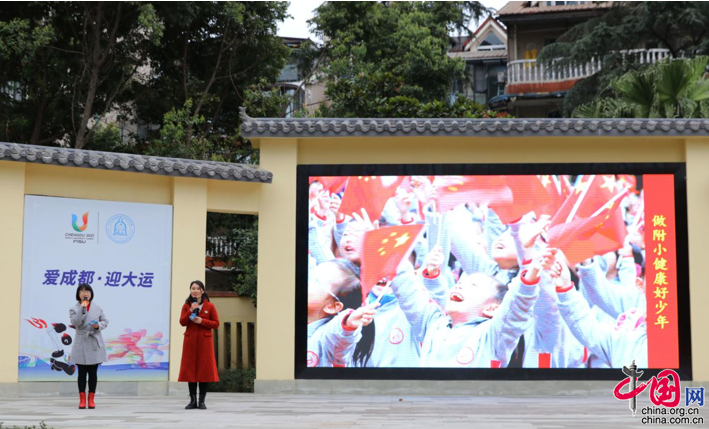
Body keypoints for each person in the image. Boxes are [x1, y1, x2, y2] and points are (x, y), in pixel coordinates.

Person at [178, 280, 220, 410]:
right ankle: (192, 401)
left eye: (197, 288)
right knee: (190, 370)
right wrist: (191, 310)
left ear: (202, 290)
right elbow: (182, 322)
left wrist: (202, 321)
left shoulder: (210, 306)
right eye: (193, 288)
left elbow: (216, 323)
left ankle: (201, 401)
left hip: (204, 342)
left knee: (204, 370)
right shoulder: (187, 306)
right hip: (190, 342)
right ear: (190, 290)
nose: (195, 291)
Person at [69, 283, 108, 409]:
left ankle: (91, 399)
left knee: (93, 372)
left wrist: (98, 326)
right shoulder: (74, 308)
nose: (85, 293)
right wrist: (82, 309)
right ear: (78, 294)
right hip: (81, 341)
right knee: (81, 372)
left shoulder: (98, 307)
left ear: (91, 294)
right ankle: (82, 399)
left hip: (93, 341)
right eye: (82, 291)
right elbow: (75, 322)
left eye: (87, 291)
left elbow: (105, 321)